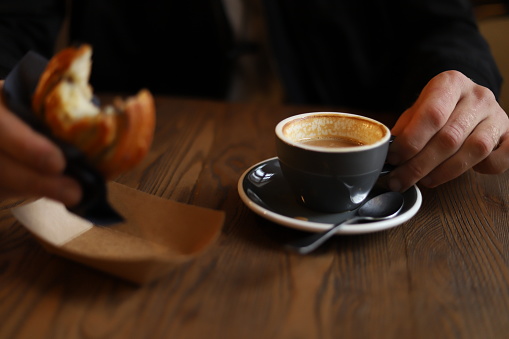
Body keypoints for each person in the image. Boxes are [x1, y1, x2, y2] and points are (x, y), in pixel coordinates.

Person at [0, 0, 507, 206]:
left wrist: (463, 86)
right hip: (148, 176)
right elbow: (15, 21)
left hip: (372, 170)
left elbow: (440, 23)